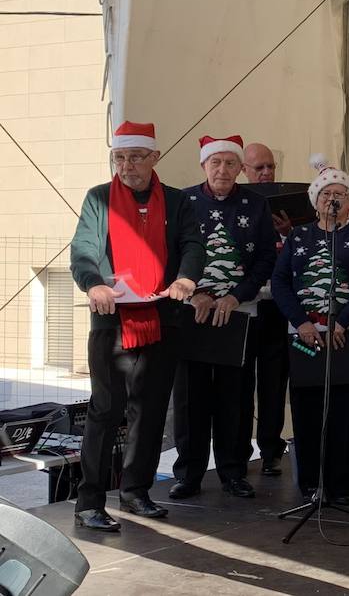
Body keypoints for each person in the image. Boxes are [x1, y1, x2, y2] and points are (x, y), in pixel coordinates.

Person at [69, 122, 204, 531]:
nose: (127, 165)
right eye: (120, 157)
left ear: (154, 158)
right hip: (112, 321)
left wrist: (186, 279)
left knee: (149, 410)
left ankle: (135, 492)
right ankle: (90, 501)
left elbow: (193, 245)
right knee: (105, 410)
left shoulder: (179, 202)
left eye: (135, 157)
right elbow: (84, 248)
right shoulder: (99, 199)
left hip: (162, 317)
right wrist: (93, 283)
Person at [171, 135, 275, 501]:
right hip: (193, 312)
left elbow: (265, 258)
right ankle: (189, 473)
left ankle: (234, 471)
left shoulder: (256, 204)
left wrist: (236, 295)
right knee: (191, 397)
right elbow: (171, 253)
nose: (222, 170)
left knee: (237, 395)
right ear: (204, 166)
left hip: (237, 313)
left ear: (241, 168)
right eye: (215, 163)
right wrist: (194, 292)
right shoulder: (184, 202)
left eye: (230, 164)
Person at [272, 158, 349, 502]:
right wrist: (301, 322)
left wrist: (343, 320)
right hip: (305, 335)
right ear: (315, 201)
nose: (334, 198)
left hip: (347, 333)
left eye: (341, 193)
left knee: (345, 408)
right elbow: (280, 281)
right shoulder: (299, 236)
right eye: (327, 193)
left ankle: (344, 485)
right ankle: (312, 483)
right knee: (307, 407)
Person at [238, 142, 291, 477]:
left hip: (276, 305)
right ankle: (240, 450)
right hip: (245, 306)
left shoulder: (286, 208)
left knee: (274, 383)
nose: (266, 173)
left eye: (270, 167)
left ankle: (271, 449)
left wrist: (289, 233)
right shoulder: (239, 206)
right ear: (245, 170)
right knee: (241, 384)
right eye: (259, 168)